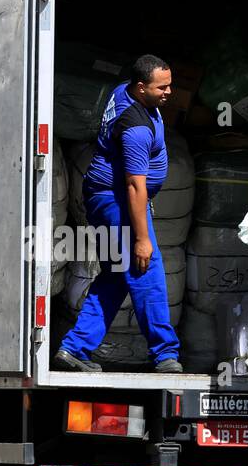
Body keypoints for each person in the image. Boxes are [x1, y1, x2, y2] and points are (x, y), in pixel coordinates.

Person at [55, 55, 182, 374]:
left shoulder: (123, 90)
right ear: (141, 88)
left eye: (169, 84)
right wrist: (140, 238)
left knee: (116, 274)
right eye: (162, 87)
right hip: (118, 200)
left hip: (107, 196)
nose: (169, 92)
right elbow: (134, 186)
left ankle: (74, 347)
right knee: (146, 268)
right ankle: (165, 353)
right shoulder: (135, 128)